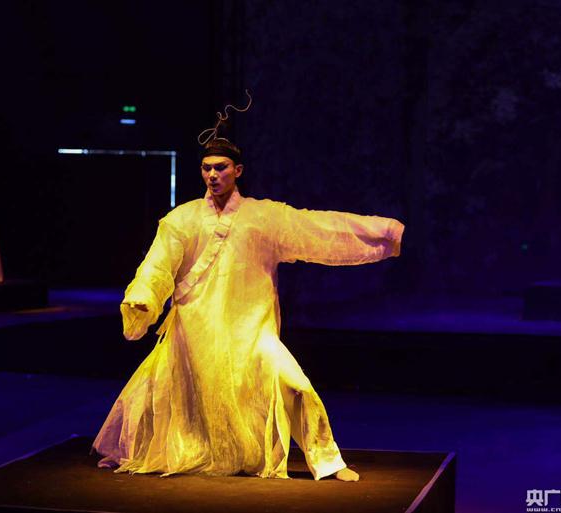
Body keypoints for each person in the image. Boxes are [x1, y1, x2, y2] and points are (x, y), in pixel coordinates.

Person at [92, 102, 404, 482]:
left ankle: (328, 462)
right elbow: (157, 265)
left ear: (237, 171)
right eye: (206, 168)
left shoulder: (263, 217)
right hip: (196, 329)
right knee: (173, 399)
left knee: (294, 385)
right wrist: (144, 297)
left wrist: (383, 233)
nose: (212, 175)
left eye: (221, 167)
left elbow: (315, 228)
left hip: (250, 331)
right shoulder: (182, 220)